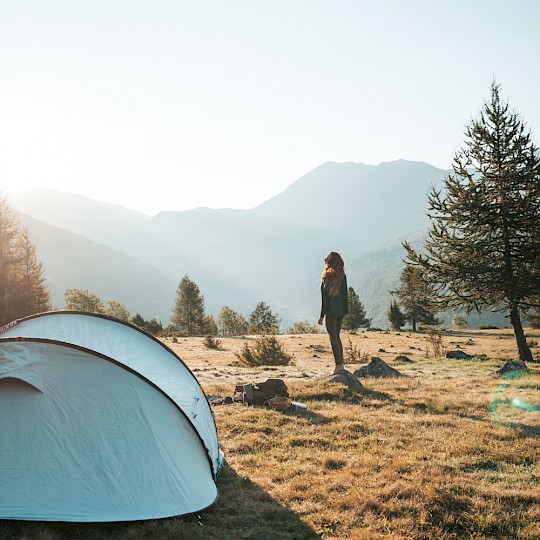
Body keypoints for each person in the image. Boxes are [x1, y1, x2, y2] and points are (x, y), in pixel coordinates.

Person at [318, 251, 349, 375]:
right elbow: (345, 295)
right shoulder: (342, 275)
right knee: (337, 336)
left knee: (333, 337)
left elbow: (325, 299)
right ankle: (341, 363)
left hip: (331, 311)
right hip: (341, 311)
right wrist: (344, 310)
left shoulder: (327, 277)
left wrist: (321, 316)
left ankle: (338, 365)